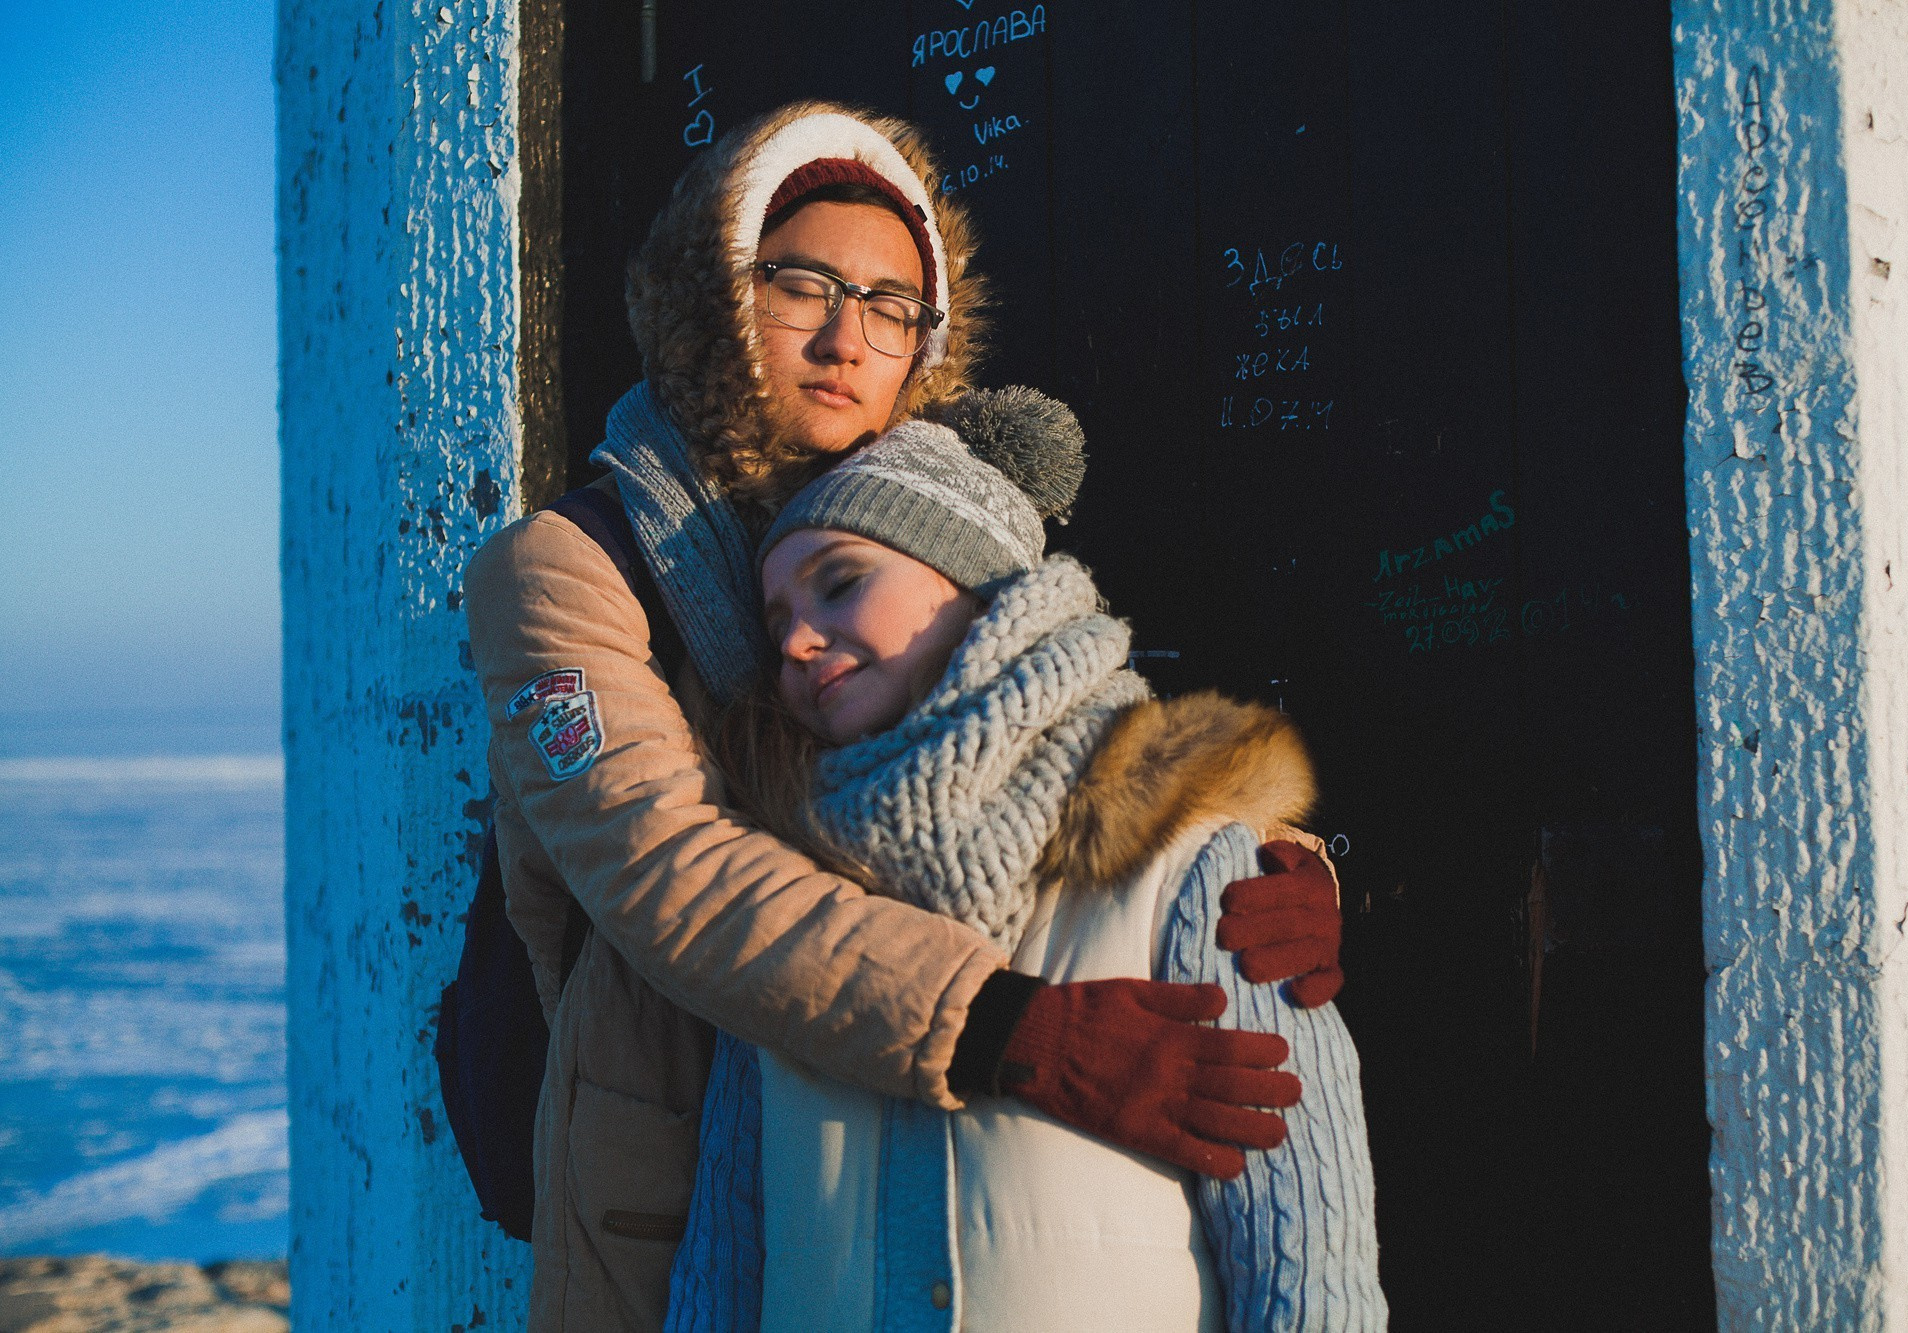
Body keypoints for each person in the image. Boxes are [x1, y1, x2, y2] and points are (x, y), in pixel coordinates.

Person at [463, 100, 1344, 1331]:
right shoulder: (567, 568)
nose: (845, 338)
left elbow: (1044, 704)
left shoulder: (927, 514)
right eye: (800, 285)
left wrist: (1245, 866)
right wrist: (1011, 1026)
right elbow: (666, 867)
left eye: (889, 306)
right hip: (689, 1132)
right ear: (712, 296)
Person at [665, 421, 1386, 1332]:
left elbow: (1309, 1251)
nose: (800, 642)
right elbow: (724, 1261)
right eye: (776, 629)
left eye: (840, 584)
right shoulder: (782, 908)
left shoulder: (1192, 867)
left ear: (975, 584)